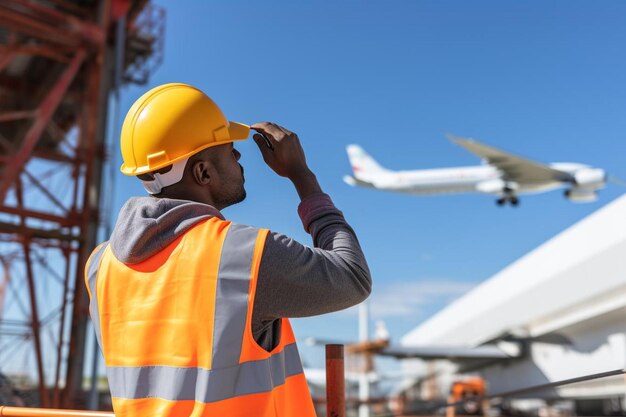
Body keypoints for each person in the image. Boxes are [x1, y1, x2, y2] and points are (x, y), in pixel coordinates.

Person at [85, 83, 371, 417]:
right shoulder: (242, 255)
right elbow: (353, 278)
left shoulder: (100, 266)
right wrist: (302, 175)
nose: (238, 156)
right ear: (202, 171)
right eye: (229, 149)